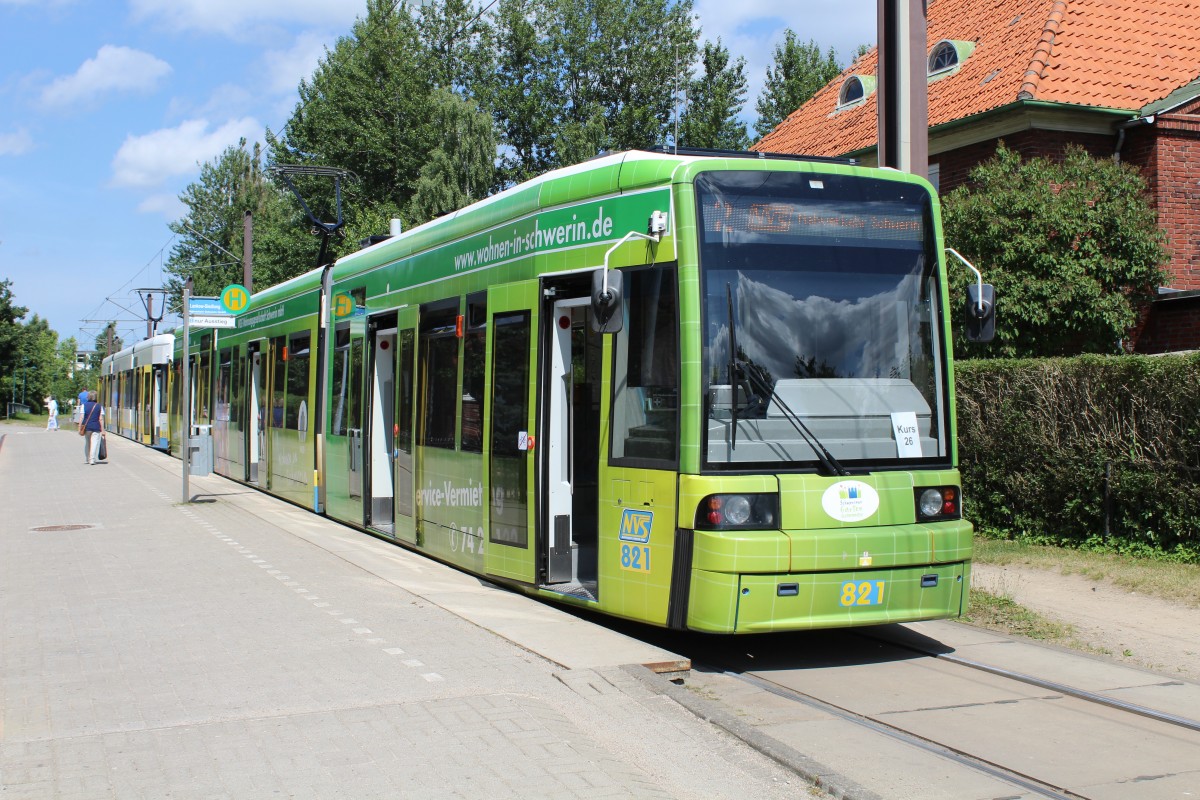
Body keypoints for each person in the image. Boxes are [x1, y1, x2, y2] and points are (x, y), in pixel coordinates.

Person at [79, 390, 105, 465]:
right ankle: (92, 459)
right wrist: (103, 430)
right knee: (94, 443)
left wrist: (79, 427)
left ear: (88, 397)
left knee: (87, 443)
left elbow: (81, 417)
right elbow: (101, 419)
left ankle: (87, 458)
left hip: (86, 427)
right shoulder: (99, 406)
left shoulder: (84, 405)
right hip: (96, 427)